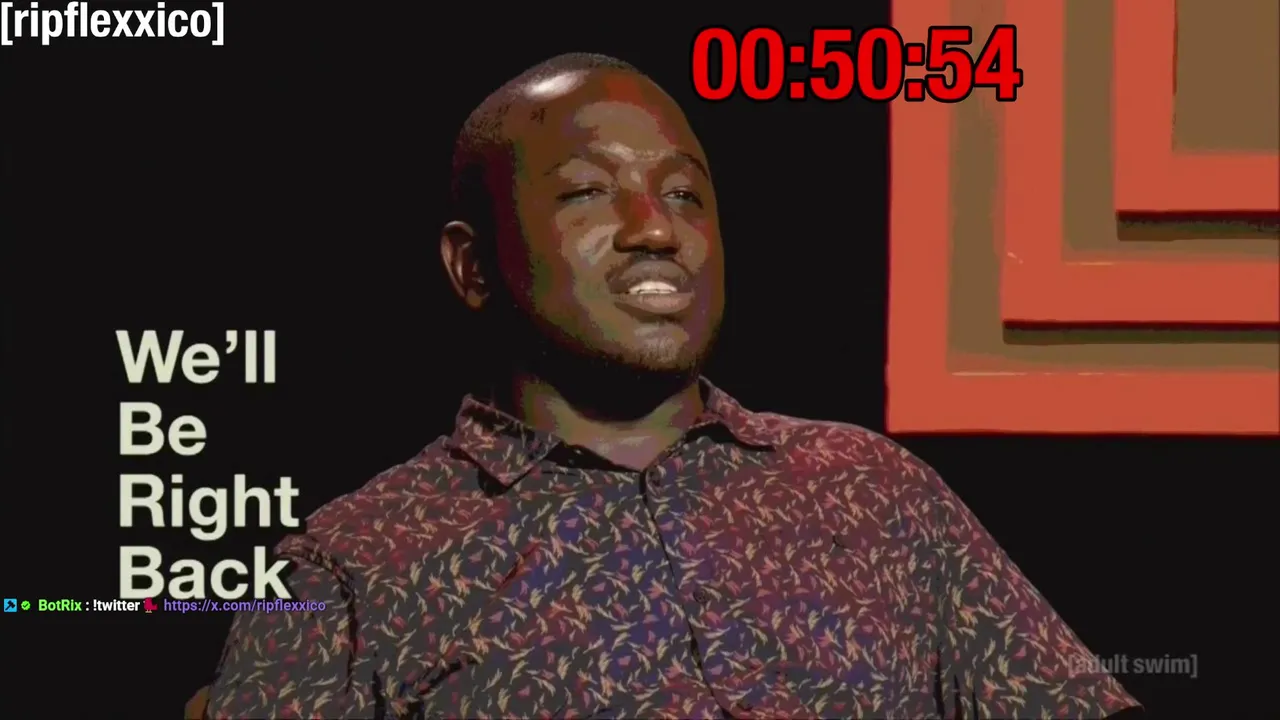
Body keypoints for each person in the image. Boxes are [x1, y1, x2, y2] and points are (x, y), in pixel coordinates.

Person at [200, 53, 1143, 719]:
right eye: (586, 192)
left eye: (686, 194)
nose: (656, 229)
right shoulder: (351, 567)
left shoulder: (870, 486)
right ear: (473, 266)